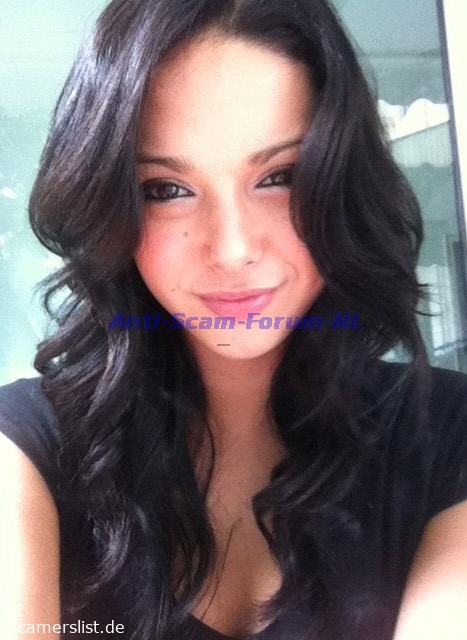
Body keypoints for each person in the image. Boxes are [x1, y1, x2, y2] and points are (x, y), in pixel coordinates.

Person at [1, 0, 467, 638]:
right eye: (165, 189)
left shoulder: (447, 436)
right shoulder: (26, 451)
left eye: (280, 176)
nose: (233, 249)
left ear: (342, 184)